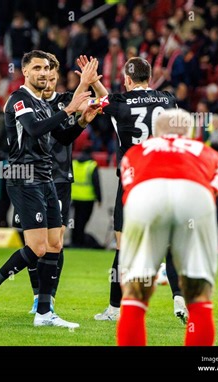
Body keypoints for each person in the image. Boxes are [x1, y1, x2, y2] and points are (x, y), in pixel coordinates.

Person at [0, 50, 99, 328]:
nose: (44, 73)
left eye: (47, 68)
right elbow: (33, 129)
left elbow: (62, 135)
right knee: (38, 247)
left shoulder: (43, 103)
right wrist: (68, 110)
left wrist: (81, 121)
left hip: (46, 178)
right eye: (38, 68)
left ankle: (44, 312)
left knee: (55, 244)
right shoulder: (19, 100)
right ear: (26, 72)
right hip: (23, 178)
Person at [78, 55, 188, 323]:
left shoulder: (119, 102)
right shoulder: (168, 99)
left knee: (123, 247)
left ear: (126, 79)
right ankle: (179, 297)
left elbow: (109, 106)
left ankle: (115, 309)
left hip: (133, 181)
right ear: (148, 78)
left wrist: (91, 84)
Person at [116, 109, 218, 346]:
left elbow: (129, 190)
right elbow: (213, 189)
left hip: (145, 195)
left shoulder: (137, 151)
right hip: (195, 194)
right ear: (189, 132)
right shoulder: (207, 152)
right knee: (198, 295)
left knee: (135, 292)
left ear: (156, 132)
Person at [21, 52, 99, 314]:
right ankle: (36, 295)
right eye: (44, 74)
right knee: (32, 243)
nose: (49, 81)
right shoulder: (30, 105)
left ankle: (49, 297)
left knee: (56, 241)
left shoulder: (66, 101)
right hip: (31, 178)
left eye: (53, 76)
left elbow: (97, 103)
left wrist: (87, 83)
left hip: (60, 178)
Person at [70, 146, 102, 248]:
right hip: (88, 198)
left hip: (74, 197)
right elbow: (96, 183)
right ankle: (79, 242)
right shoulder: (91, 165)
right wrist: (99, 198)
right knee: (83, 221)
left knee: (75, 220)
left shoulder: (74, 163)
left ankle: (74, 241)